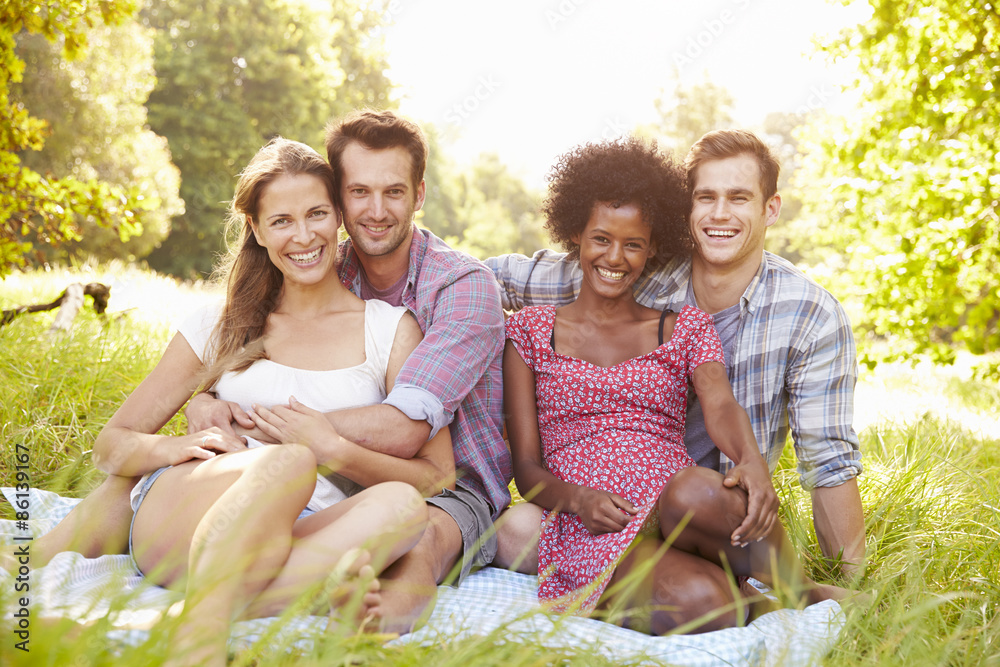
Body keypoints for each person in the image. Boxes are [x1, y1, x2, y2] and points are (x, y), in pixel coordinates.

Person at [89, 137, 455, 666]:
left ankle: (226, 605)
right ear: (257, 231)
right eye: (281, 221)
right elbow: (110, 445)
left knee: (403, 508)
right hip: (188, 516)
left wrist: (332, 448)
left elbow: (435, 477)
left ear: (339, 220)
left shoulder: (388, 330)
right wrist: (182, 446)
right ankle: (199, 644)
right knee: (289, 461)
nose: (303, 236)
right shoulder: (220, 324)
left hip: (296, 536)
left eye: (317, 214)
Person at [490, 129, 865, 588]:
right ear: (687, 209)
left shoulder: (810, 316)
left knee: (694, 499)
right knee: (517, 533)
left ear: (770, 209)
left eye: (739, 197)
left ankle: (796, 592)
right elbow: (496, 278)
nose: (720, 213)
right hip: (603, 509)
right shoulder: (633, 269)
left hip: (717, 505)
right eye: (706, 197)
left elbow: (828, 460)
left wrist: (852, 583)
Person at [185, 110, 512, 633]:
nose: (376, 211)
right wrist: (205, 401)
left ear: (419, 194)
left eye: (394, 192)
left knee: (417, 536)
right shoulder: (316, 261)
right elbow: (243, 347)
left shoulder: (461, 288)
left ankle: (372, 623)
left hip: (447, 485)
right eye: (359, 192)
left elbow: (407, 428)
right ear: (338, 199)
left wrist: (262, 422)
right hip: (311, 472)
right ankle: (242, 596)